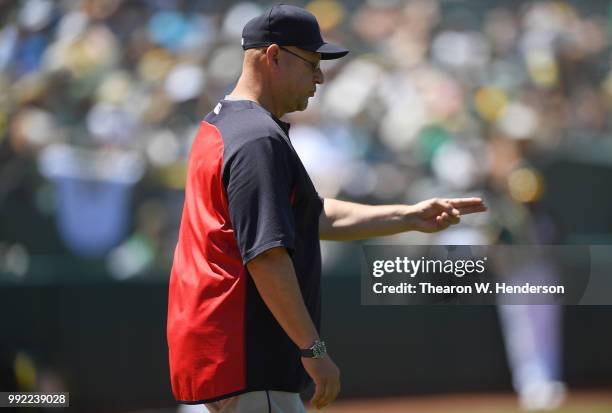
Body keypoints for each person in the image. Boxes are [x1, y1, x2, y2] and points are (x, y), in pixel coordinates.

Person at [166, 4, 487, 413]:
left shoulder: (225, 124)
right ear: (274, 55)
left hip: (225, 348)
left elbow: (310, 214)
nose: (320, 76)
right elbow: (266, 256)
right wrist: (312, 348)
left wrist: (406, 216)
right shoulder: (256, 139)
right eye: (311, 62)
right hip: (248, 355)